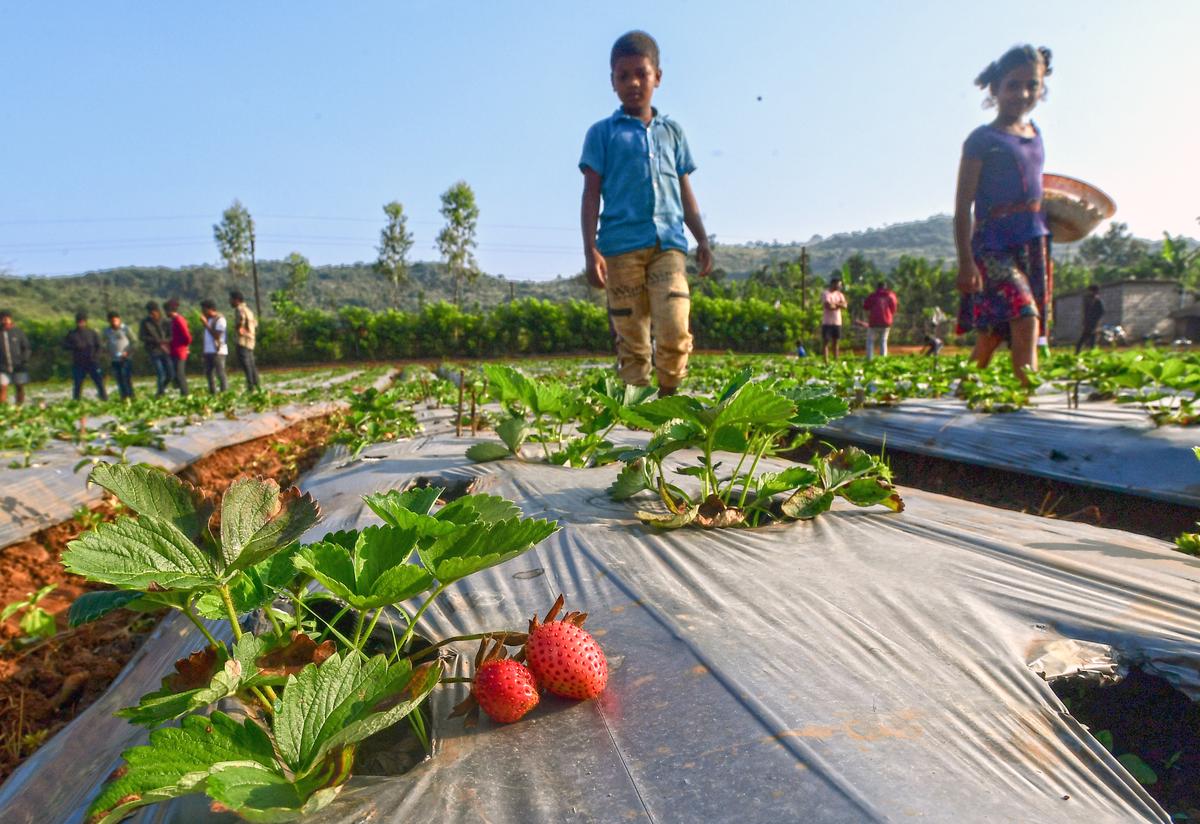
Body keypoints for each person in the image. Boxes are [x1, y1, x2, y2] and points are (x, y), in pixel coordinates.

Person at [579, 30, 711, 396]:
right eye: (624, 76)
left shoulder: (673, 132)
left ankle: (668, 404)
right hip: (620, 250)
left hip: (668, 245)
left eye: (641, 73)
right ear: (612, 82)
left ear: (658, 76)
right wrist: (591, 250)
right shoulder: (602, 134)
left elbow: (685, 190)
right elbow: (591, 196)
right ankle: (634, 420)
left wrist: (702, 239)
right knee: (632, 341)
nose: (633, 83)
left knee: (674, 327)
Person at [954, 45, 1054, 386]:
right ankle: (1027, 405)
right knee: (1026, 317)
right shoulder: (982, 141)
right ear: (995, 88)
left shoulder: (1036, 135)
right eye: (1013, 85)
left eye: (1032, 85)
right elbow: (961, 208)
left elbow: (1037, 190)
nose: (1023, 93)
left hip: (1032, 240)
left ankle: (960, 393)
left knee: (993, 333)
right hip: (992, 245)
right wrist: (966, 263)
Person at [64, 311, 107, 401]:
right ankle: (76, 400)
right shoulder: (72, 334)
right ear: (76, 322)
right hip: (79, 362)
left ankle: (104, 398)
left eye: (82, 321)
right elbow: (64, 346)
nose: (81, 323)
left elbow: (99, 346)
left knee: (99, 382)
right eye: (79, 321)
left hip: (92, 361)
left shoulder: (92, 333)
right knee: (78, 383)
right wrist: (75, 346)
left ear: (85, 321)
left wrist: (96, 357)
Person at [139, 301, 173, 396]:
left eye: (153, 312)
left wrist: (164, 341)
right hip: (153, 350)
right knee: (160, 373)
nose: (152, 314)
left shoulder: (166, 321)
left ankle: (161, 389)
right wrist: (155, 340)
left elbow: (171, 336)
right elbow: (141, 337)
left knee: (171, 374)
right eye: (150, 313)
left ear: (158, 311)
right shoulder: (145, 323)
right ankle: (160, 393)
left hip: (165, 350)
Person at [229, 290, 260, 391]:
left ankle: (251, 387)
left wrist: (238, 328)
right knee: (251, 364)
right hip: (251, 340)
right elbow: (255, 324)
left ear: (236, 300)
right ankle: (256, 385)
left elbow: (240, 320)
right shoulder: (248, 310)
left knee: (246, 365)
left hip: (243, 340)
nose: (230, 301)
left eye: (231, 299)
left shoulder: (239, 309)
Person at [0, 310, 32, 406]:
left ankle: (19, 407)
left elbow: (26, 348)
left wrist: (24, 359)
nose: (5, 321)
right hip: (2, 367)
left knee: (20, 387)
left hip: (19, 366)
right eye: (2, 319)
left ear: (11, 319)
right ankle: (2, 410)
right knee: (2, 387)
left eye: (6, 319)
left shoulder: (18, 332)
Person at [103, 311, 135, 400]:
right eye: (112, 321)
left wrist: (127, 352)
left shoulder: (126, 329)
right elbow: (103, 343)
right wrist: (106, 353)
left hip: (126, 358)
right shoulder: (106, 331)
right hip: (114, 359)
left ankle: (131, 397)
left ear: (119, 319)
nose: (114, 323)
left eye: (115, 320)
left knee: (126, 379)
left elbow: (134, 342)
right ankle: (123, 397)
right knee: (119, 379)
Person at [863, 281, 899, 360]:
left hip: (874, 321)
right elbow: (894, 308)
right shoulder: (891, 295)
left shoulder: (872, 296)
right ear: (886, 287)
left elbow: (866, 306)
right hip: (886, 321)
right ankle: (883, 359)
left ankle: (869, 358)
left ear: (877, 287)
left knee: (870, 340)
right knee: (883, 341)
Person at [200, 299, 228, 394]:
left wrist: (206, 325)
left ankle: (224, 393)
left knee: (220, 374)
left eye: (204, 310)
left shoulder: (220, 320)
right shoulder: (209, 320)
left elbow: (216, 335)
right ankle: (213, 394)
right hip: (208, 352)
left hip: (218, 352)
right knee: (209, 374)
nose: (203, 312)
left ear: (211, 309)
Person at [164, 298, 191, 395]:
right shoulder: (173, 320)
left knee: (180, 375)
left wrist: (185, 346)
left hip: (180, 351)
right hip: (175, 351)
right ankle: (182, 394)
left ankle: (186, 395)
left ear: (169, 310)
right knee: (176, 375)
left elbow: (187, 336)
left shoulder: (179, 320)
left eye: (166, 311)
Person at [821, 276, 848, 361]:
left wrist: (835, 304)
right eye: (838, 285)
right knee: (826, 342)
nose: (839, 286)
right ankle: (826, 361)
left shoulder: (840, 294)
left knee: (836, 342)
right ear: (833, 284)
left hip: (837, 322)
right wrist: (839, 304)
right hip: (827, 322)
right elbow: (829, 306)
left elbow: (845, 305)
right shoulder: (826, 293)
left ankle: (836, 360)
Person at [1075, 284, 1105, 353]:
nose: (1088, 292)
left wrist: (1095, 321)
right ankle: (1081, 353)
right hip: (1088, 323)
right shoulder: (1088, 299)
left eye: (1090, 291)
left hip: (1093, 324)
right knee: (1087, 341)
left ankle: (1081, 354)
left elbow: (1101, 312)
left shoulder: (1097, 301)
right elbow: (1085, 312)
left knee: (1087, 341)